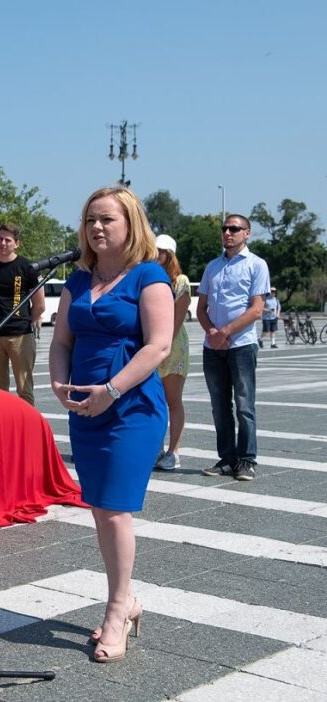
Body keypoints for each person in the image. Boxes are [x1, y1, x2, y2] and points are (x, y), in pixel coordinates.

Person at [49, 186, 173, 663]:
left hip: (131, 409)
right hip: (85, 408)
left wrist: (112, 391)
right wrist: (60, 384)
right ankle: (130, 599)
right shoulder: (78, 282)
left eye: (107, 219)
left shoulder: (149, 276)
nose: (97, 227)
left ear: (130, 225)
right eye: (90, 220)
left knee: (117, 508)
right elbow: (61, 341)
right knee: (100, 507)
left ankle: (118, 608)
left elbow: (157, 346)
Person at [198, 214, 271, 481]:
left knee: (244, 405)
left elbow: (256, 310)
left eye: (235, 229)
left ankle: (247, 459)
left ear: (247, 233)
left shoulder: (256, 265)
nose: (228, 233)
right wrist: (212, 333)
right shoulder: (212, 267)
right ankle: (226, 458)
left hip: (241, 345)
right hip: (213, 346)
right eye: (225, 228)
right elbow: (200, 308)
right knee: (219, 406)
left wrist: (225, 332)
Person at [0, 223, 44, 405]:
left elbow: (39, 305)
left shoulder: (28, 267)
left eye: (8, 240)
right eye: (0, 239)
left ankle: (28, 429)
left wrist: (23, 322)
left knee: (24, 390)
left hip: (20, 336)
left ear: (16, 243)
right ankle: (4, 429)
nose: (3, 243)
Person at [152, 234, 190, 471]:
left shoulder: (180, 281)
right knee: (153, 400)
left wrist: (163, 346)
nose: (155, 254)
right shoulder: (148, 276)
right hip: (152, 344)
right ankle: (156, 448)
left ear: (170, 254)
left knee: (172, 400)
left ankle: (174, 451)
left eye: (160, 251)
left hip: (173, 345)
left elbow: (178, 318)